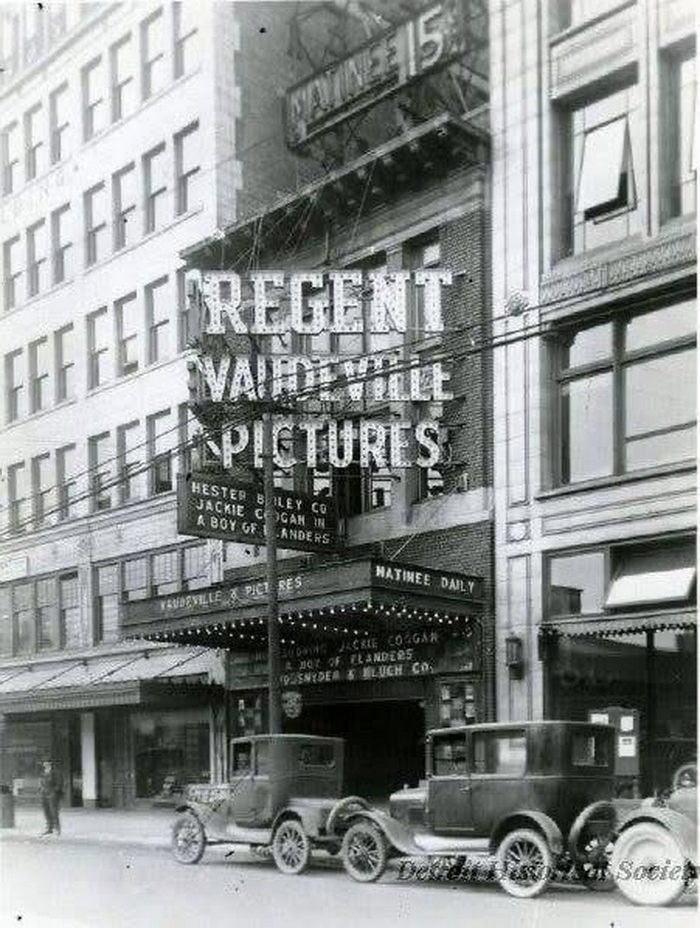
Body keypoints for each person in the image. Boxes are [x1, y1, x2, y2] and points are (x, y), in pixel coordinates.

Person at [39, 760, 63, 836]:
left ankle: (57, 828)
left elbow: (59, 783)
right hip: (44, 794)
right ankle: (49, 828)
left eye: (47, 763)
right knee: (46, 811)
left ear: (50, 763)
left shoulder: (56, 772)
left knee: (54, 811)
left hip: (52, 795)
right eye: (44, 763)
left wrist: (54, 792)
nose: (45, 764)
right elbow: (41, 783)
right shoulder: (43, 773)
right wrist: (41, 790)